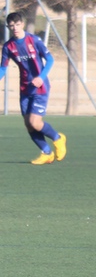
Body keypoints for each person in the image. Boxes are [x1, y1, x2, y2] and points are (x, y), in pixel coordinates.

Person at [0, 12, 65, 165]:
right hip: (25, 89)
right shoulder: (8, 46)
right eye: (11, 26)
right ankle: (46, 153)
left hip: (40, 88)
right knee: (28, 124)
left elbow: (49, 59)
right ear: (9, 27)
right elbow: (3, 68)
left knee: (35, 122)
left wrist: (41, 77)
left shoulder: (33, 40)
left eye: (17, 24)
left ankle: (58, 138)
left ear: (22, 24)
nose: (15, 28)